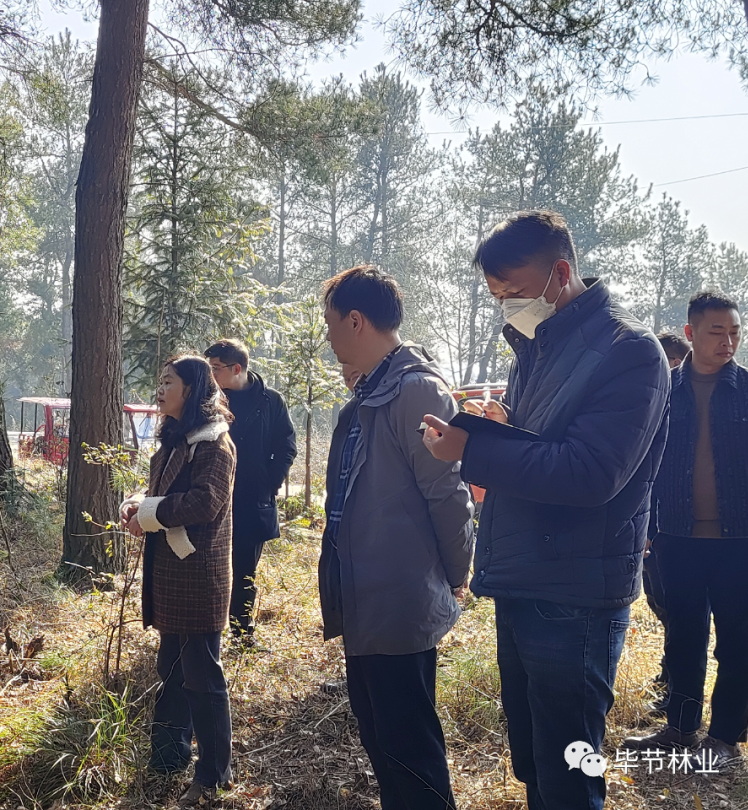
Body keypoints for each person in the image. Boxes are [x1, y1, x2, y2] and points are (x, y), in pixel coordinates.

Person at [422, 211, 670, 810]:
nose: (508, 305)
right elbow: (546, 443)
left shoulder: (628, 353)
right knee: (534, 756)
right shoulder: (536, 347)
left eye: (516, 291)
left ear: (561, 273)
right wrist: (502, 431)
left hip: (576, 593)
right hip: (523, 574)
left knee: (567, 766)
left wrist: (474, 450)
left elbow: (590, 473)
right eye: (497, 296)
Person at [319, 265, 474, 810]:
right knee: (382, 741)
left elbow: (447, 494)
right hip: (365, 601)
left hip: (398, 601)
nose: (328, 335)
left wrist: (457, 574)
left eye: (330, 322)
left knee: (410, 746)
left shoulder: (416, 390)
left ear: (356, 320)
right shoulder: (372, 392)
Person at [624, 291, 748, 763]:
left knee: (738, 642)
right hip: (674, 535)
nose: (728, 342)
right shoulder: (661, 391)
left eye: (735, 332)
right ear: (690, 334)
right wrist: (641, 527)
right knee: (684, 636)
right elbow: (639, 462)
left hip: (743, 539)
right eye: (717, 332)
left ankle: (724, 738)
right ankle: (679, 729)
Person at [121, 356, 237, 807]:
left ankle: (212, 774)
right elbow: (163, 493)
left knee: (202, 676)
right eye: (159, 380)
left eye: (168, 381)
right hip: (172, 575)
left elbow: (206, 503)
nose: (160, 388)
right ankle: (168, 758)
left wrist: (149, 513)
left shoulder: (214, 443)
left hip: (198, 577)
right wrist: (137, 504)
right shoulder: (176, 438)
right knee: (170, 669)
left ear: (191, 390)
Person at [203, 339, 296, 642]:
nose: (211, 374)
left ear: (237, 368)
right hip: (212, 499)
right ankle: (208, 632)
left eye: (215, 368)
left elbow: (286, 445)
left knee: (244, 571)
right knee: (211, 568)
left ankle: (242, 633)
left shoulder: (271, 401)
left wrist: (268, 482)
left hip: (252, 501)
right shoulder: (208, 400)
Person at [642, 330, 694, 706]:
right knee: (661, 603)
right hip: (654, 525)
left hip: (678, 527)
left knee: (678, 611)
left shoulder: (689, 405)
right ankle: (671, 677)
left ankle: (677, 688)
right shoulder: (651, 403)